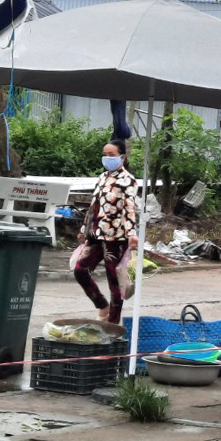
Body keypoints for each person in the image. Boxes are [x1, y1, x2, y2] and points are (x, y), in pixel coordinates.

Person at [73, 139, 138, 325]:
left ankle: (113, 324)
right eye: (105, 154)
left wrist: (132, 234)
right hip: (95, 234)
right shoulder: (102, 178)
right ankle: (102, 305)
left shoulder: (128, 181)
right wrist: (84, 229)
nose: (107, 158)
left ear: (122, 157)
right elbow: (94, 207)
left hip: (116, 237)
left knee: (115, 283)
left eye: (111, 155)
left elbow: (129, 209)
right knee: (80, 270)